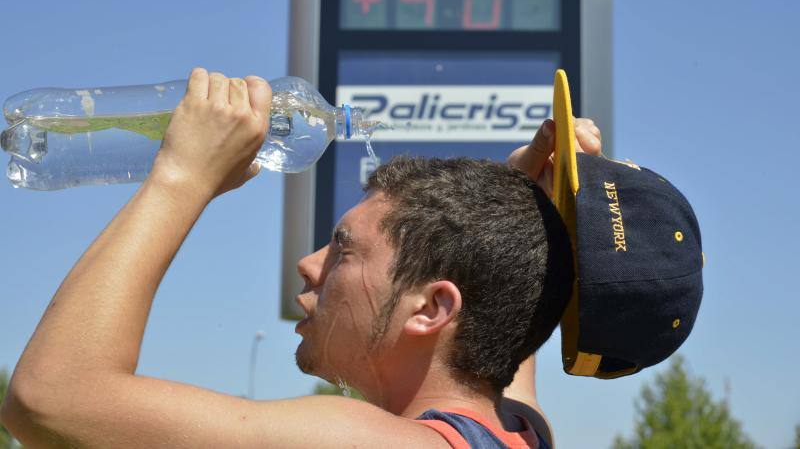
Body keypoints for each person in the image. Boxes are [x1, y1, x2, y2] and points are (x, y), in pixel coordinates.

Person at [0, 68, 603, 448]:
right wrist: (526, 203)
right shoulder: (520, 430)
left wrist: (182, 176)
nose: (308, 265)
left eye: (344, 249)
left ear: (431, 308)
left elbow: (49, 399)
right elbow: (508, 312)